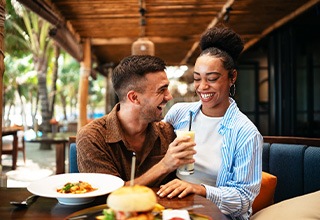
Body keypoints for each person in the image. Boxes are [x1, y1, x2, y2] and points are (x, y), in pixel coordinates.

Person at [157, 26, 263, 219]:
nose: (202, 87)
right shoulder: (179, 113)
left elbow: (244, 199)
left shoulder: (246, 132)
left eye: (212, 78)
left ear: (232, 77)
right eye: (197, 79)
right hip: (176, 206)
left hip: (219, 214)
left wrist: (199, 189)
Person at [76, 55, 196, 187]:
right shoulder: (92, 137)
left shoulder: (167, 133)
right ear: (134, 97)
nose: (169, 96)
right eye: (162, 90)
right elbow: (106, 192)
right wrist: (164, 166)